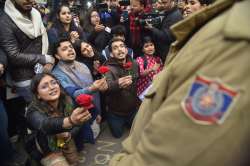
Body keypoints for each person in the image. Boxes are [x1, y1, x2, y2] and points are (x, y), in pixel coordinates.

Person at [109, 0, 250, 165]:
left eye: (192, 2)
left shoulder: (234, 43)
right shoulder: (215, 23)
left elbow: (166, 156)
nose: (187, 6)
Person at [26, 72, 92, 165]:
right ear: (38, 95)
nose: (52, 87)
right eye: (44, 87)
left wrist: (69, 134)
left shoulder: (67, 100)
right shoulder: (32, 111)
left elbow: (78, 124)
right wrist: (70, 121)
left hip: (68, 142)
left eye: (53, 83)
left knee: (74, 162)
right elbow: (45, 125)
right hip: (48, 149)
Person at [52, 38, 108, 144]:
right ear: (57, 56)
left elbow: (95, 94)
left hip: (91, 111)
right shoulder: (56, 74)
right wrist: (92, 88)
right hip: (73, 116)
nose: (69, 50)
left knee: (95, 134)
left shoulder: (83, 66)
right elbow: (73, 93)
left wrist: (97, 112)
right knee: (78, 143)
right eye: (64, 49)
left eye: (70, 47)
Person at [0, 0, 54, 102]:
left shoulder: (36, 13)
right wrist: (45, 59)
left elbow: (44, 38)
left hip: (44, 72)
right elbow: (14, 56)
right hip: (25, 80)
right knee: (40, 112)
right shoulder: (4, 21)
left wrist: (48, 61)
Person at [104, 38, 141, 138]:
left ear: (126, 49)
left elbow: (137, 80)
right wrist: (118, 84)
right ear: (111, 54)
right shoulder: (107, 68)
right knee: (117, 135)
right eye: (115, 48)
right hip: (116, 112)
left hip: (132, 109)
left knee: (137, 130)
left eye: (122, 46)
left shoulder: (134, 63)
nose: (120, 49)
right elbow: (108, 86)